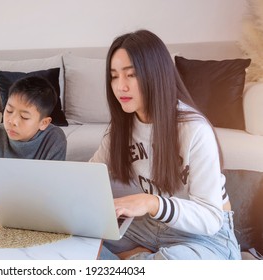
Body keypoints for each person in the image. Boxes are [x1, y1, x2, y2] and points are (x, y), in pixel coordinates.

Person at [90, 30, 241, 260]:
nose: (120, 86)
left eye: (130, 75)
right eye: (114, 76)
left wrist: (151, 202)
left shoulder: (194, 129)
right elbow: (88, 177)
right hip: (150, 227)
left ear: (155, 75)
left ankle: (137, 258)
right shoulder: (120, 130)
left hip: (206, 235)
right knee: (75, 237)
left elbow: (211, 218)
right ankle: (140, 257)